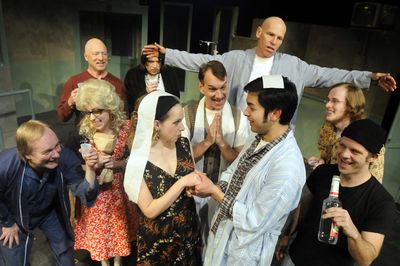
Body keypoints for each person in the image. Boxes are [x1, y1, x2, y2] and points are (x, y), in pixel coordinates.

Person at [142, 16, 396, 124]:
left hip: (272, 135)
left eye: (280, 38)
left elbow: (332, 74)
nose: (274, 41)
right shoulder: (236, 59)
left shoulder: (294, 66)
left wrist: (371, 78)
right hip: (235, 128)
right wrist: (168, 55)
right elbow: (201, 61)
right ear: (259, 32)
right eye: (271, 34)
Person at [191, 75, 306, 265]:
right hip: (220, 237)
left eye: (252, 107)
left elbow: (254, 221)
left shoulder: (288, 167)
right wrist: (209, 187)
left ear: (275, 114)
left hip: (243, 254)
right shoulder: (257, 137)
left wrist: (214, 192)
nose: (245, 112)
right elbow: (232, 173)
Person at [279, 119, 395, 265]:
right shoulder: (323, 173)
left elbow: (365, 259)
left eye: (354, 151)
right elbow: (302, 209)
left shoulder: (381, 201)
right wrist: (286, 237)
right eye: (342, 145)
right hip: (294, 259)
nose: (344, 154)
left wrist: (352, 231)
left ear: (373, 157)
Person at [0, 120, 99, 266]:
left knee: (64, 248)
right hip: (14, 215)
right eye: (48, 151)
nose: (56, 154)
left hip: (48, 211)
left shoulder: (64, 155)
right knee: (13, 258)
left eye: (57, 145)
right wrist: (7, 222)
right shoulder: (5, 165)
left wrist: (90, 168)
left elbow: (84, 193)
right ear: (27, 154)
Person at [124, 91, 203, 265]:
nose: (182, 127)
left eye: (181, 120)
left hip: (189, 235)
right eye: (176, 122)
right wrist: (182, 183)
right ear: (156, 124)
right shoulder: (137, 162)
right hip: (159, 245)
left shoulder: (183, 144)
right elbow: (150, 210)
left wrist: (194, 186)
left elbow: (191, 177)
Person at [65, 79, 138, 266]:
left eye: (98, 111)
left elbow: (138, 160)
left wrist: (117, 163)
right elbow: (69, 166)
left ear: (110, 108)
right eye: (89, 112)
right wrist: (90, 167)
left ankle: (118, 261)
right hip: (96, 196)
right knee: (100, 235)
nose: (93, 117)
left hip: (120, 193)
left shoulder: (126, 129)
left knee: (119, 230)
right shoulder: (82, 133)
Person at [182, 60, 248, 250]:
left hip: (221, 193)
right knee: (189, 243)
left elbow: (239, 162)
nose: (219, 95)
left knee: (214, 244)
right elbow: (180, 159)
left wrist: (221, 143)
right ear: (201, 87)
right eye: (212, 89)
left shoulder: (239, 117)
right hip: (191, 193)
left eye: (223, 87)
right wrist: (206, 142)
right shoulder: (187, 113)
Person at [307, 83, 385, 182]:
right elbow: (326, 158)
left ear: (351, 106)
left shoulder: (369, 138)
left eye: (335, 101)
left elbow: (374, 183)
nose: (327, 105)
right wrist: (320, 163)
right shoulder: (328, 127)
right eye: (328, 100)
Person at [57, 38, 127, 125]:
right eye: (96, 54)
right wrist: (70, 102)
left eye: (104, 54)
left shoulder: (117, 83)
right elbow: (62, 117)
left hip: (110, 136)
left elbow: (124, 115)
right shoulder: (74, 81)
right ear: (86, 57)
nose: (101, 58)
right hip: (84, 135)